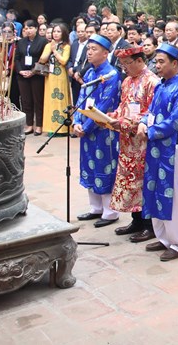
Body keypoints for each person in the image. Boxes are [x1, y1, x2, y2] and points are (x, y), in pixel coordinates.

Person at [138, 43, 178, 261]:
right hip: (155, 149)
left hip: (172, 150)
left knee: (172, 196)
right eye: (156, 61)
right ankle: (163, 238)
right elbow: (150, 111)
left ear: (175, 63)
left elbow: (174, 123)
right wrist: (143, 123)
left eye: (161, 62)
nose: (157, 65)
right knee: (154, 191)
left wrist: (149, 132)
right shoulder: (160, 87)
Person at [110, 45, 160, 242]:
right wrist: (111, 117)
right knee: (129, 182)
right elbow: (123, 107)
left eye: (127, 64)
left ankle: (149, 224)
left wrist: (126, 122)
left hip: (142, 141)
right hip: (126, 141)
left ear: (140, 61)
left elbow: (151, 115)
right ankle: (136, 220)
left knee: (143, 182)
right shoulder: (127, 82)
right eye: (122, 65)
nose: (125, 68)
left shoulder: (152, 82)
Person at [72, 33, 121, 226]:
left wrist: (86, 126)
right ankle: (95, 207)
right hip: (86, 128)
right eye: (89, 49)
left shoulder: (111, 75)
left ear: (105, 53)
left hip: (103, 128)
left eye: (94, 49)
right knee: (88, 164)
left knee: (105, 165)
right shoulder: (90, 73)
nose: (89, 52)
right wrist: (77, 120)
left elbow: (103, 104)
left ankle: (110, 211)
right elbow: (81, 99)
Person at [14, 21, 47, 135]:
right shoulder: (21, 42)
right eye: (26, 28)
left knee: (38, 100)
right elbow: (17, 58)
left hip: (36, 75)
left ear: (36, 29)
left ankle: (39, 125)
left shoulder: (43, 41)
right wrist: (20, 70)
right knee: (26, 101)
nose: (28, 30)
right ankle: (29, 124)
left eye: (30, 28)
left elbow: (44, 59)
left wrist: (33, 71)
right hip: (23, 74)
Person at [39, 23, 72, 136]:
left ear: (63, 33)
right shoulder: (48, 45)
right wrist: (50, 49)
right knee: (50, 101)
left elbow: (63, 61)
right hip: (50, 76)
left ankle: (63, 128)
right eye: (54, 31)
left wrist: (55, 51)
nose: (56, 34)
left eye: (58, 31)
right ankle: (51, 128)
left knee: (61, 100)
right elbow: (42, 60)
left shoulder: (66, 46)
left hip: (61, 75)